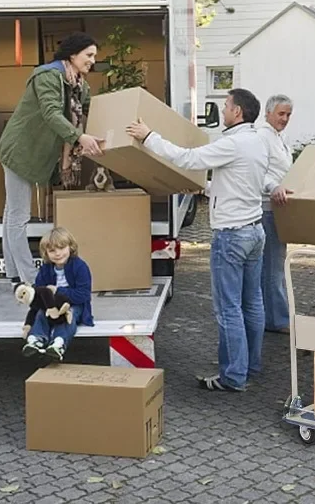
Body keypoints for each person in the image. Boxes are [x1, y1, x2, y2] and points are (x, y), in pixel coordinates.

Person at [126, 89, 268, 393]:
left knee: (228, 308)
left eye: (227, 105)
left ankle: (233, 376)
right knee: (252, 302)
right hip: (254, 230)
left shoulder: (232, 142)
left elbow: (187, 158)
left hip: (231, 235)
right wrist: (204, 190)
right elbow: (236, 181)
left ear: (238, 112)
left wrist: (148, 135)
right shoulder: (258, 140)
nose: (224, 110)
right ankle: (249, 366)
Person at [0, 33, 103, 287]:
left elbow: (92, 111)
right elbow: (51, 113)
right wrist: (79, 138)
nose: (92, 61)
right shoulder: (48, 76)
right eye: (88, 55)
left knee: (11, 214)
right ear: (72, 55)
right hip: (21, 152)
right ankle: (29, 280)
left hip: (38, 154)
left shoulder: (79, 85)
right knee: (18, 216)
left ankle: (12, 273)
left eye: (94, 56)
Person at [22, 227, 94, 362]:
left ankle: (59, 343)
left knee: (68, 316)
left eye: (61, 248)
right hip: (51, 305)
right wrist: (29, 318)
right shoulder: (45, 269)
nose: (58, 253)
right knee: (41, 313)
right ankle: (35, 340)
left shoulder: (80, 267)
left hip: (75, 305)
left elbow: (83, 295)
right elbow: (39, 294)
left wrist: (58, 290)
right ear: (46, 253)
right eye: (52, 250)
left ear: (70, 247)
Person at [258, 94, 294, 333]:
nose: (285, 119)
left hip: (278, 209)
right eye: (281, 114)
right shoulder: (262, 137)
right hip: (267, 208)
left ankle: (272, 315)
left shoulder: (278, 138)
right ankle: (277, 319)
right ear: (268, 113)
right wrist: (274, 186)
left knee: (273, 266)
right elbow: (256, 172)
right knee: (273, 267)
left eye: (288, 115)